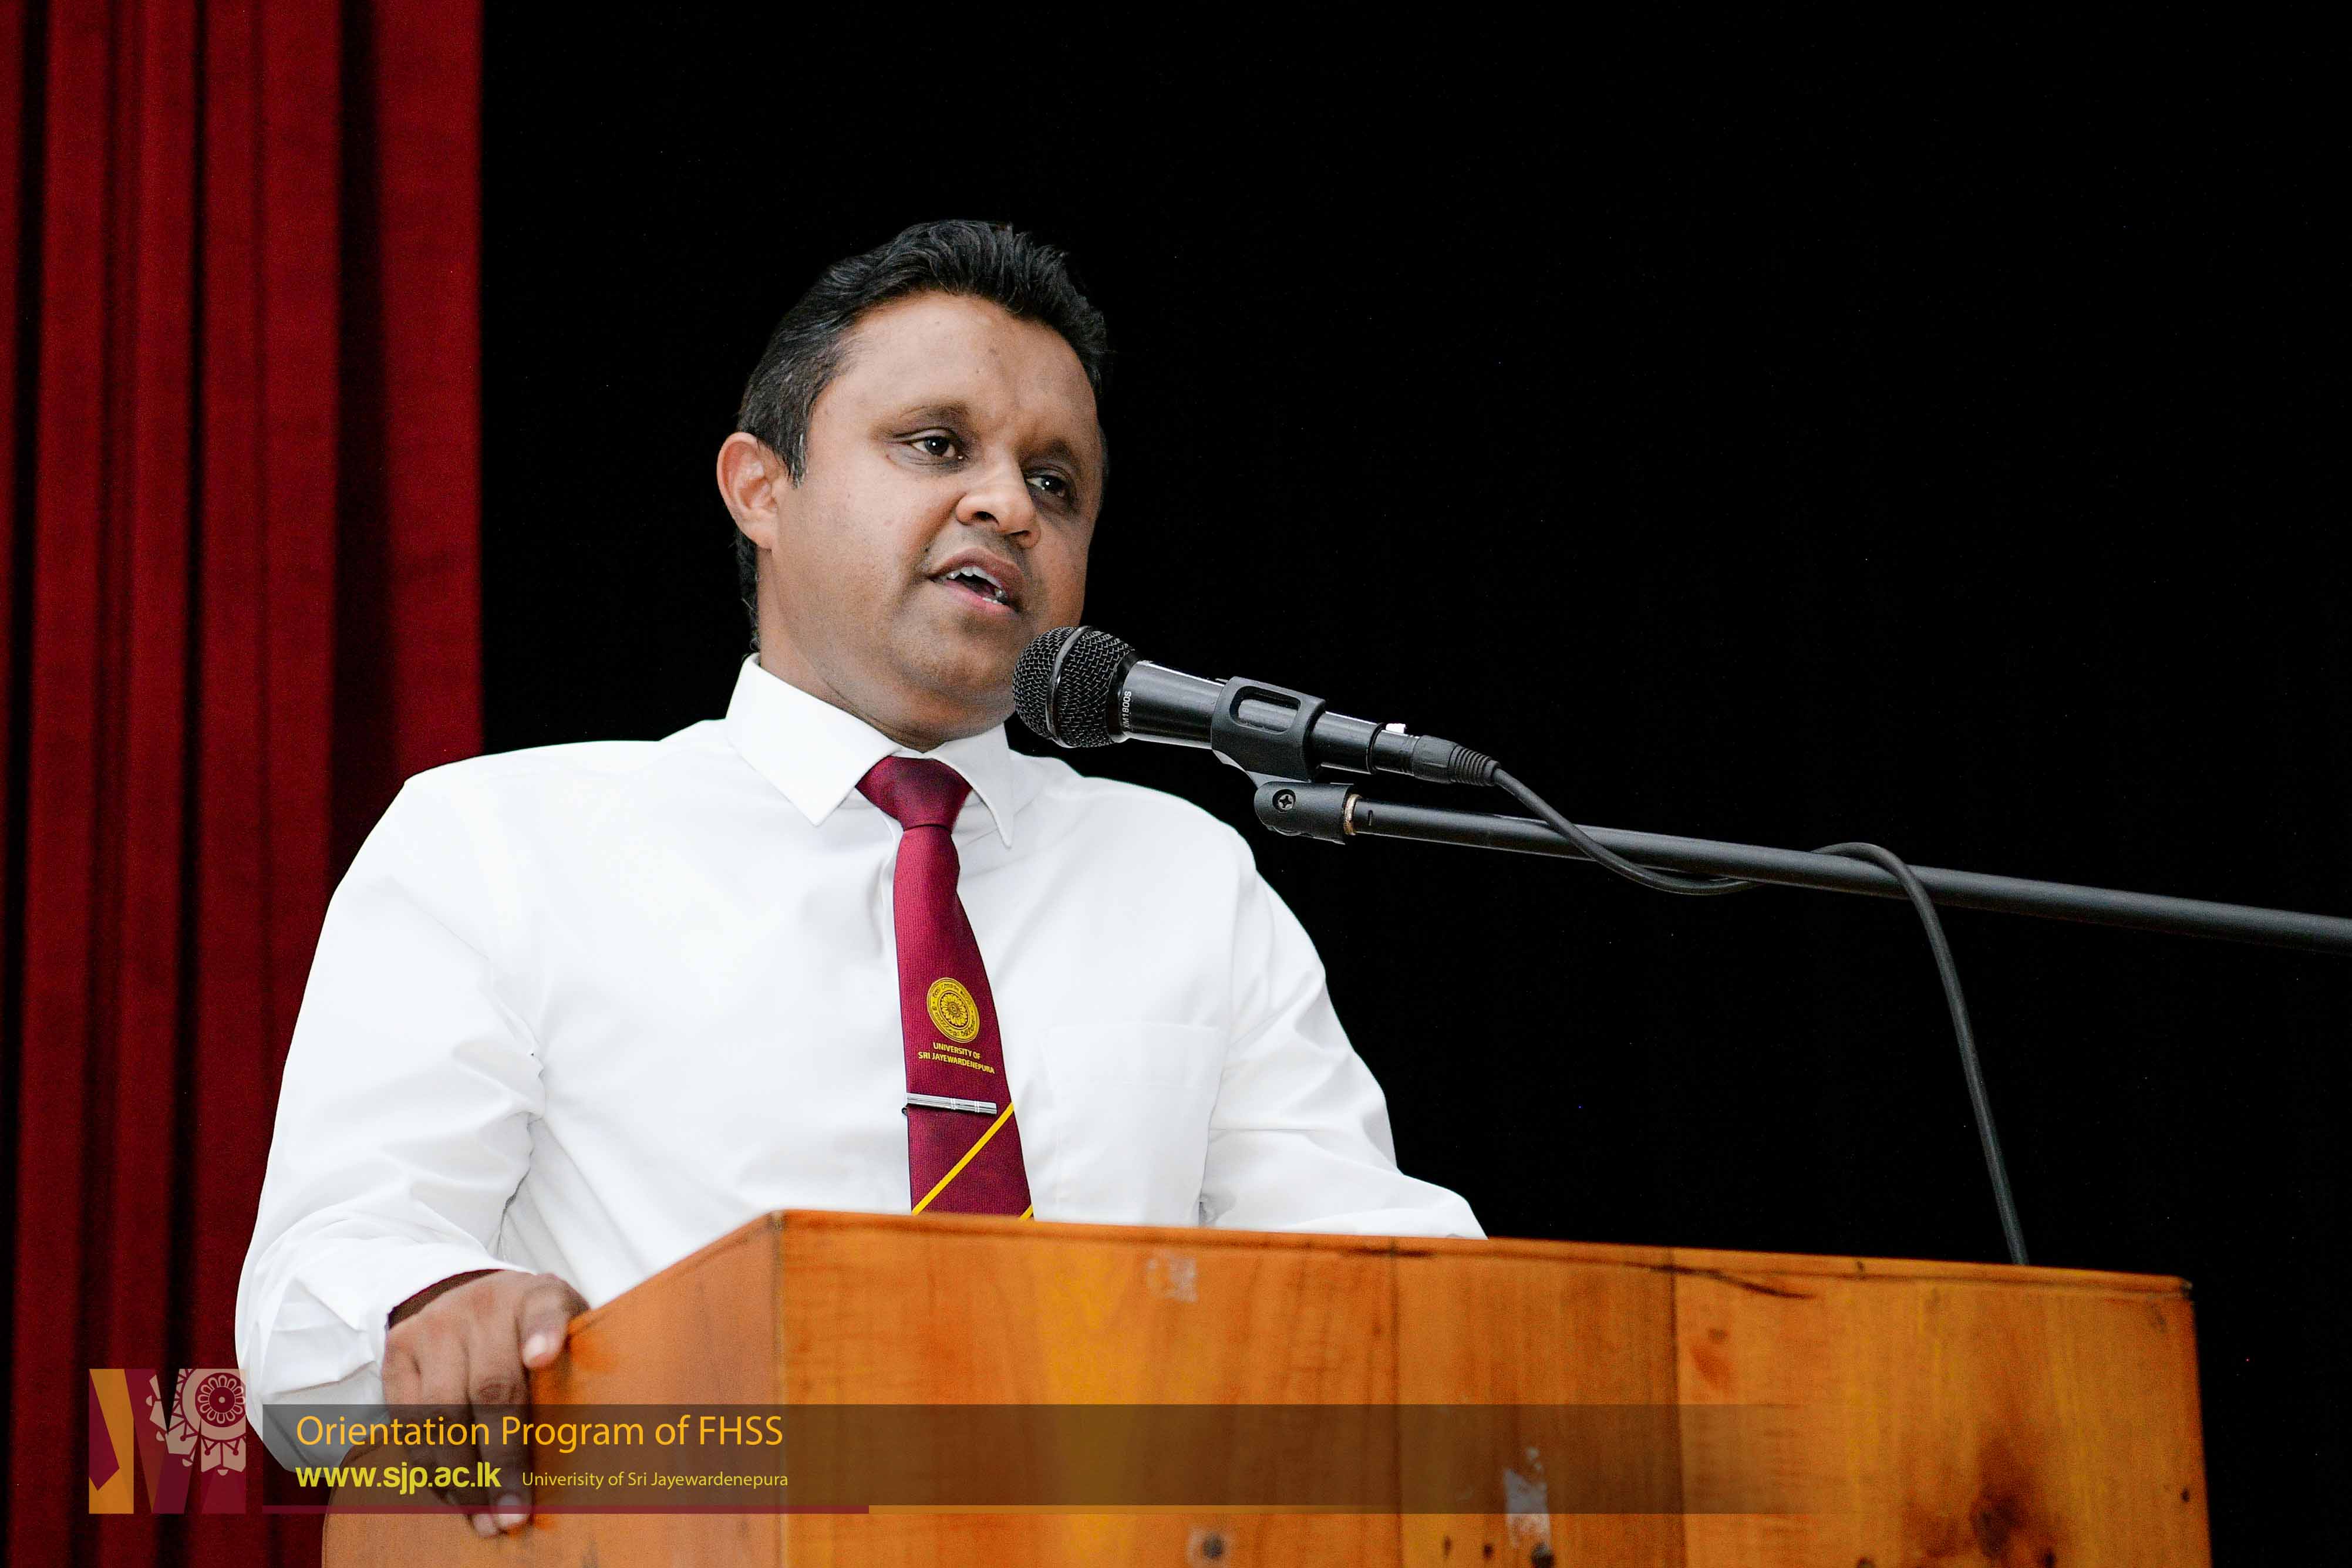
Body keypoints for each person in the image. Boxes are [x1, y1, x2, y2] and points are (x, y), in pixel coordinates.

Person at [235, 220, 1480, 1534]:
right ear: (758, 488)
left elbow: (1375, 1284)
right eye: (936, 445)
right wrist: (438, 1306)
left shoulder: (1185, 878)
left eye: (1054, 482)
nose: (1008, 505)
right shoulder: (500, 839)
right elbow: (318, 1293)